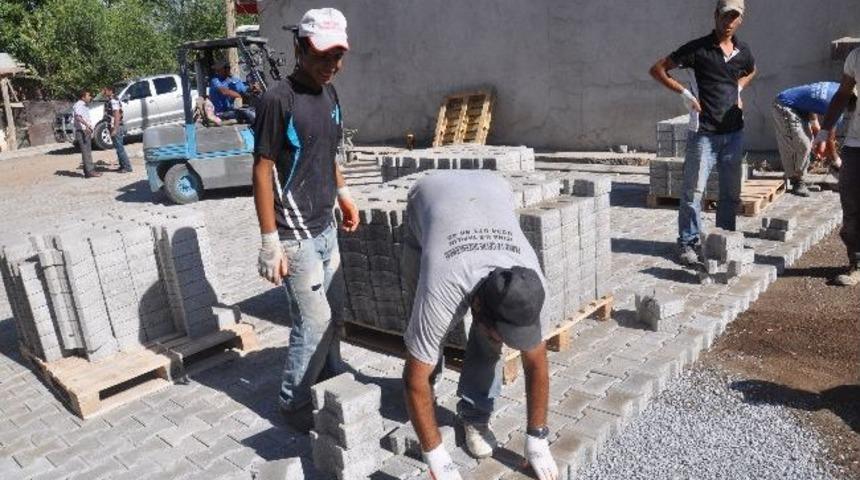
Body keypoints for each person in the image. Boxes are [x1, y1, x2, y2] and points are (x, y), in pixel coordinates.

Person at [401, 171, 558, 480]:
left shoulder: (532, 290)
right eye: (504, 334)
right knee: (423, 336)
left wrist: (537, 438)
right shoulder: (441, 287)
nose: (510, 343)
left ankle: (474, 415)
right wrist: (438, 460)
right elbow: (411, 379)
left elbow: (537, 363)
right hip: (429, 194)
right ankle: (431, 384)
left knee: (489, 342)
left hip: (492, 186)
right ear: (475, 306)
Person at [252, 7, 359, 431]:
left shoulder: (331, 95)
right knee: (313, 321)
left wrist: (344, 195)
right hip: (294, 234)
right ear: (300, 49)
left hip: (326, 225)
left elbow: (328, 153)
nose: (330, 64)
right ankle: (293, 401)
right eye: (321, 55)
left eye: (337, 56)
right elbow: (262, 169)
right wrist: (269, 241)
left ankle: (331, 378)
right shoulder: (278, 100)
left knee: (335, 312)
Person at [649, 0, 756, 266]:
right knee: (693, 193)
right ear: (716, 16)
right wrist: (685, 94)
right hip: (704, 134)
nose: (729, 22)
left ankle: (724, 239)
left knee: (730, 194)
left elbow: (752, 70)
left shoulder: (743, 51)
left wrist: (738, 89)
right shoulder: (697, 49)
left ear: (741, 20)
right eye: (725, 16)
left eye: (734, 17)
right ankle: (688, 242)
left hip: (734, 133)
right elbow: (658, 69)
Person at [813, 48, 860, 286]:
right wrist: (824, 130)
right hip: (856, 142)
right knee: (851, 200)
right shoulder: (856, 57)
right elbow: (843, 94)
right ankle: (857, 262)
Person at [772, 82, 843, 196]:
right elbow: (830, 136)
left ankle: (799, 177)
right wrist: (836, 160)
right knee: (801, 144)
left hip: (801, 108)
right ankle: (796, 182)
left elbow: (812, 98)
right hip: (785, 105)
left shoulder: (838, 88)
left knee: (808, 143)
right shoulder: (839, 103)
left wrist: (815, 126)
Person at [209, 60, 256, 124]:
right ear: (219, 70)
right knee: (249, 114)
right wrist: (239, 95)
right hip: (220, 113)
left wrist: (252, 88)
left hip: (230, 111)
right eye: (225, 67)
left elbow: (244, 90)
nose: (228, 69)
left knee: (253, 111)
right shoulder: (215, 81)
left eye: (228, 67)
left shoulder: (234, 80)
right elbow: (224, 91)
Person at [102, 85, 132, 173]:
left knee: (120, 148)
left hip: (116, 127)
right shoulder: (110, 101)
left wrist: (115, 128)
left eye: (105, 90)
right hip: (112, 126)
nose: (103, 92)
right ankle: (122, 166)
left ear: (111, 91)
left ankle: (127, 167)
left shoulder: (113, 101)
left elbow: (117, 115)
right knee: (118, 147)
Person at [72, 90, 101, 178]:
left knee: (87, 151)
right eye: (88, 96)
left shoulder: (83, 105)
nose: (90, 97)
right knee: (86, 152)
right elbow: (78, 117)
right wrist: (87, 125)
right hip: (82, 131)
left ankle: (88, 171)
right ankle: (90, 171)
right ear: (83, 97)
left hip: (85, 130)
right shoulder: (79, 105)